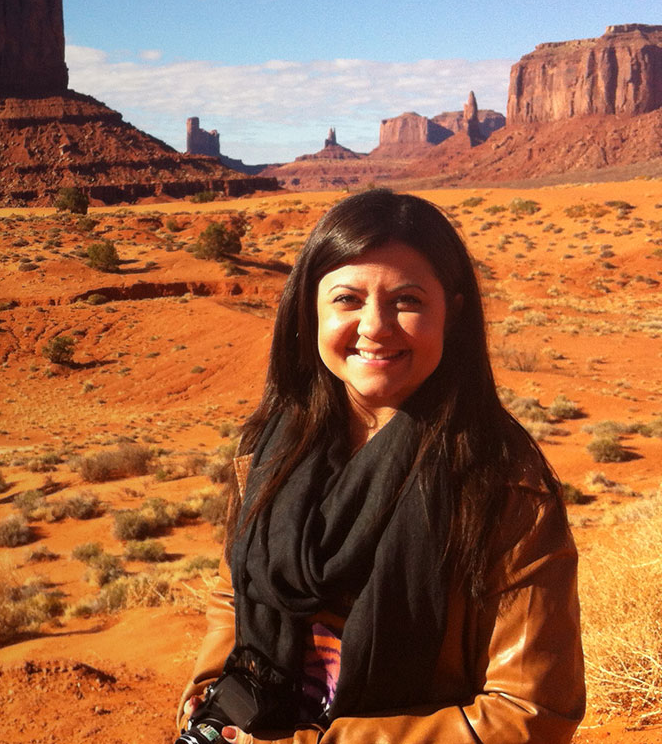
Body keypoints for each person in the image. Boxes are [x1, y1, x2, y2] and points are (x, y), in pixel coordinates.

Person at [176, 190, 583, 743]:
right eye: (347, 299)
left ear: (453, 312)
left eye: (407, 301)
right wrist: (208, 700)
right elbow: (236, 594)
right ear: (309, 310)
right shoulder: (270, 451)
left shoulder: (503, 487)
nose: (375, 326)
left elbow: (532, 713)